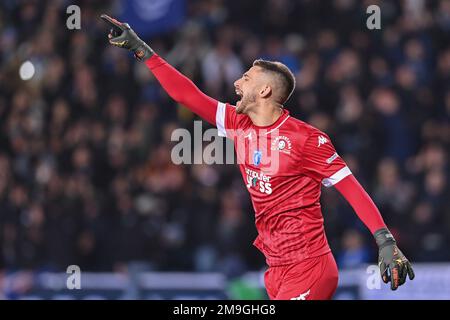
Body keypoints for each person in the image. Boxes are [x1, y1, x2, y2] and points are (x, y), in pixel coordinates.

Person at [100, 14, 415, 300]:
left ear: (265, 91)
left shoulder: (306, 138)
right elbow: (188, 95)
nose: (236, 83)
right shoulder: (238, 123)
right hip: (275, 271)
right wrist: (143, 51)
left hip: (309, 268)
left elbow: (351, 188)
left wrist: (384, 240)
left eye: (246, 78)